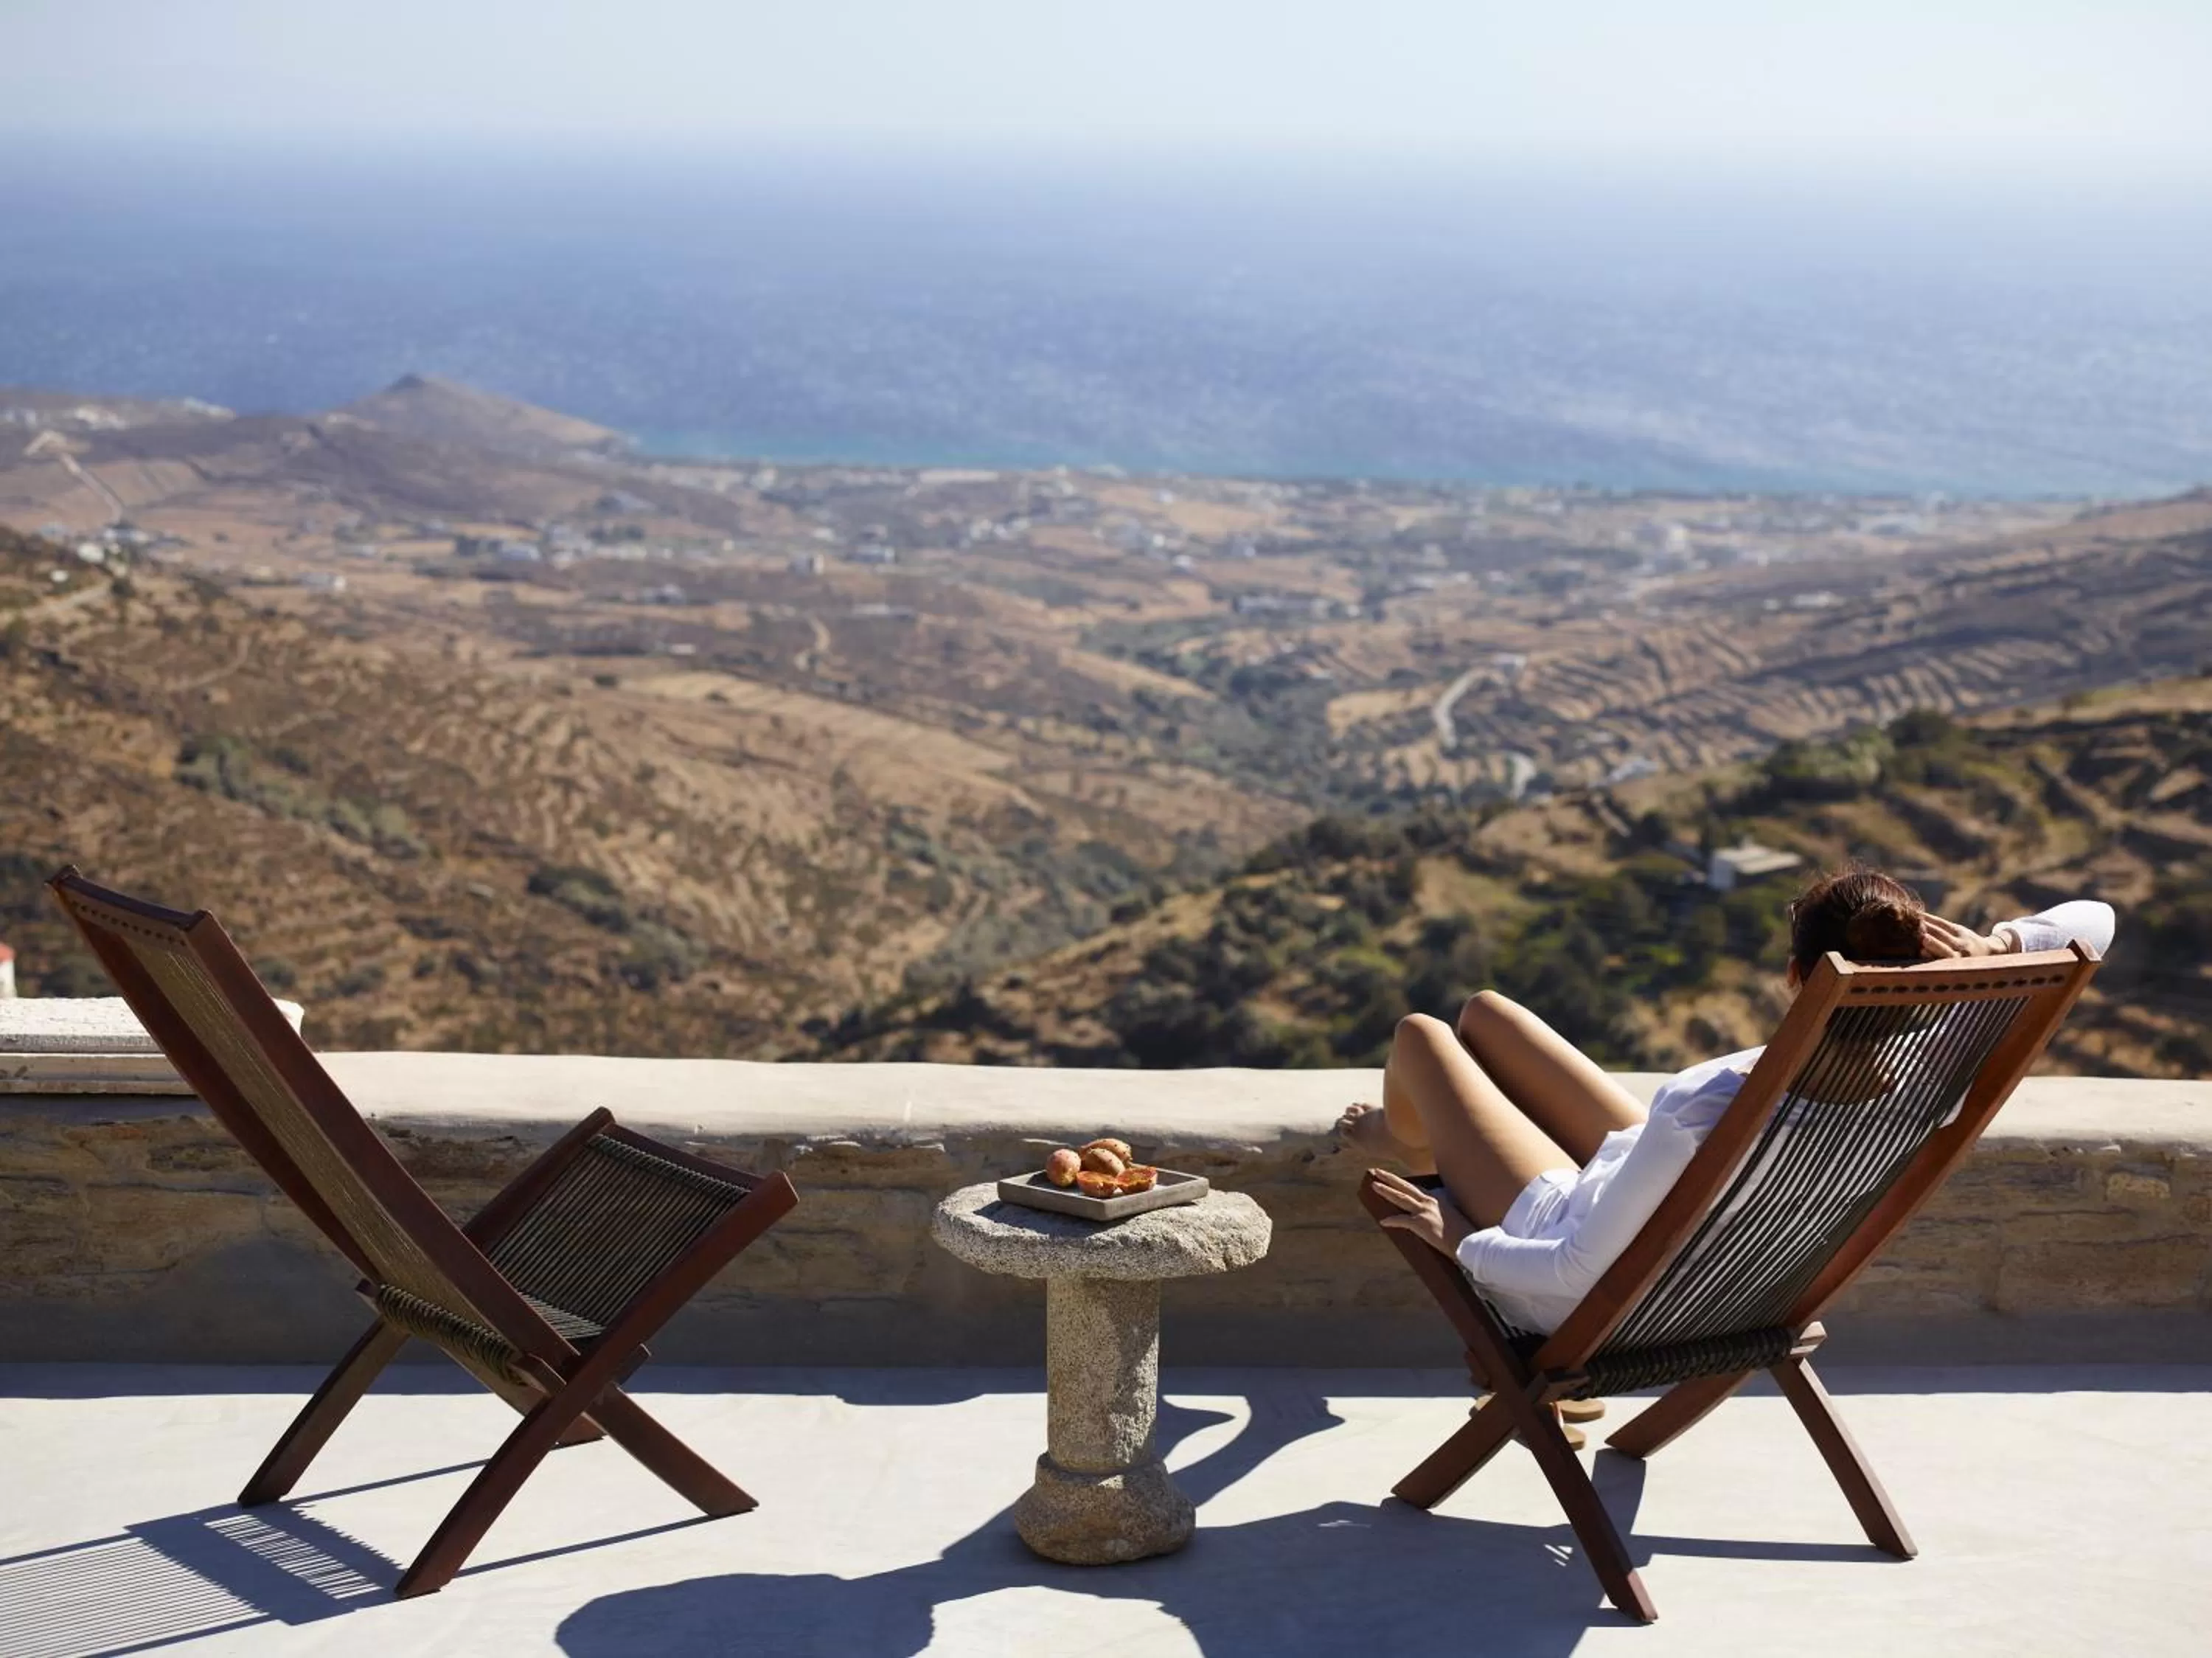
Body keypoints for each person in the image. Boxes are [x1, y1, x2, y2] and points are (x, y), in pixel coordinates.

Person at [1340, 870, 2115, 1360]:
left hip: (1584, 1284)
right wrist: (1995, 945)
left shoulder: (1712, 1102)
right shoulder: (1935, 1080)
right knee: (1487, 1015)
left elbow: (1574, 1275)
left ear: (1794, 978)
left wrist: (1463, 1241)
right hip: (1716, 1282)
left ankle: (1406, 1145)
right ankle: (1414, 1138)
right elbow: (2097, 919)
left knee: (1424, 1035)